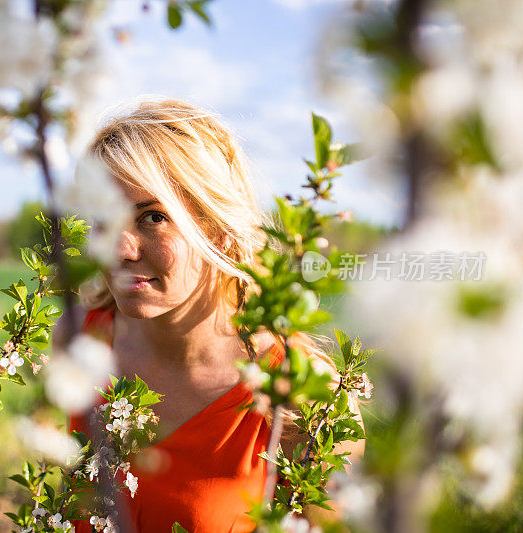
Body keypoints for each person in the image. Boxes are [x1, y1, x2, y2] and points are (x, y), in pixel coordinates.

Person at [56, 98, 363, 532]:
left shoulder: (305, 395)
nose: (120, 248)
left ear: (218, 227)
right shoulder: (80, 339)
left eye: (154, 217)